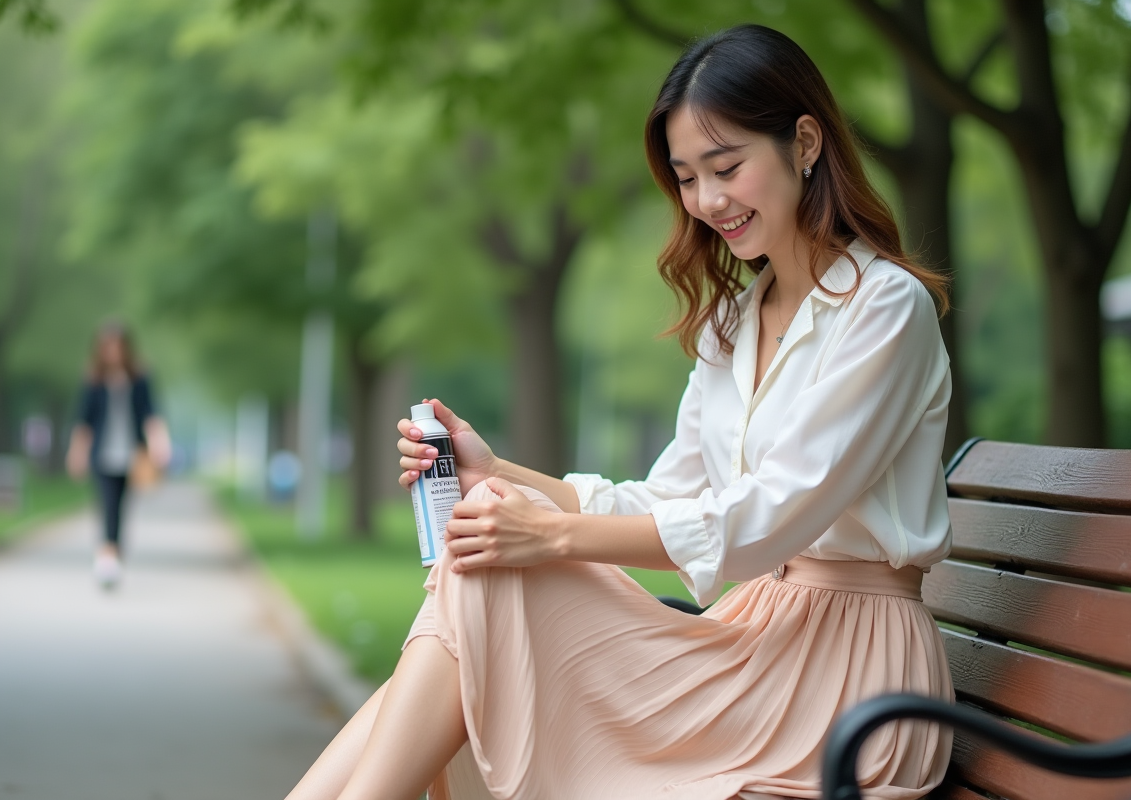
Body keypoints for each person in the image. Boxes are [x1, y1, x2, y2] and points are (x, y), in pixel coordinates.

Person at [288, 24, 955, 800]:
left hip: (850, 684)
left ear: (804, 143)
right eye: (686, 178)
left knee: (491, 575)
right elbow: (666, 498)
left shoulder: (885, 309)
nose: (707, 201)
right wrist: (497, 472)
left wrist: (553, 535)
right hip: (753, 645)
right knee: (483, 567)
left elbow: (768, 518)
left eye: (726, 167)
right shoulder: (733, 325)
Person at [66, 323, 171, 589]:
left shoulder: (139, 378)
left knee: (121, 508)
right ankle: (107, 558)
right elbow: (84, 420)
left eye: (118, 346)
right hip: (102, 455)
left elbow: (150, 414)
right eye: (108, 347)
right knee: (108, 505)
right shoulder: (94, 379)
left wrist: (160, 444)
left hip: (131, 456)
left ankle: (112, 556)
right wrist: (76, 453)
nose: (113, 352)